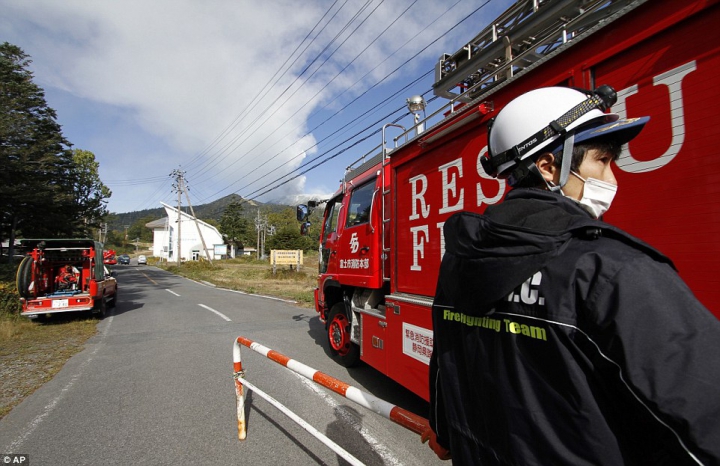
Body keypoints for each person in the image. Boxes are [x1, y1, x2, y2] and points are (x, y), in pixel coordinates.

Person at [424, 85, 720, 465]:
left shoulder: (461, 259)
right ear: (548, 166)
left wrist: (444, 428)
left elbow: (445, 364)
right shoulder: (611, 270)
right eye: (602, 161)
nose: (612, 178)